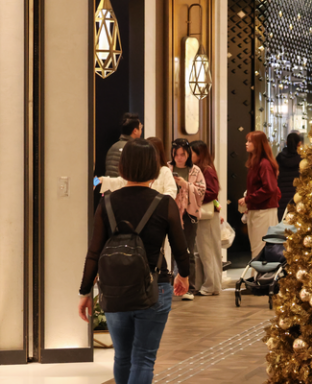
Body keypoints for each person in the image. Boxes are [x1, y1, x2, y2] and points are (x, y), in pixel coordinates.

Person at [78, 139, 190, 384]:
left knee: (123, 357)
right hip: (155, 287)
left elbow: (94, 252)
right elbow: (181, 248)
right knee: (143, 358)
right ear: (154, 167)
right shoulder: (164, 204)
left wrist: (85, 291)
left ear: (122, 166)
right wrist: (184, 275)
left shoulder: (107, 202)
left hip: (115, 289)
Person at [169, 138, 207, 300]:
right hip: (170, 214)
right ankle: (172, 284)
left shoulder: (195, 171)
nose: (179, 158)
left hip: (189, 214)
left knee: (189, 251)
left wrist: (186, 185)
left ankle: (189, 287)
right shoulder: (167, 169)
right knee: (171, 250)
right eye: (176, 154)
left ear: (188, 155)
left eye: (182, 154)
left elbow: (202, 192)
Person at [238, 131, 281, 268]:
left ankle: (260, 280)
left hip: (264, 211)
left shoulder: (264, 164)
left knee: (261, 247)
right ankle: (258, 279)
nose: (247, 143)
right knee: (257, 247)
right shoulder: (256, 163)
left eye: (250, 141)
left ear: (258, 144)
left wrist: (248, 199)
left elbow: (270, 189)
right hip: (258, 210)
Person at [190, 140, 222, 297]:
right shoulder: (198, 170)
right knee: (201, 252)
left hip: (208, 216)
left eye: (192, 153)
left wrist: (193, 194)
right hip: (200, 215)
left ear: (199, 154)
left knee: (208, 251)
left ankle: (212, 285)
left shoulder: (207, 171)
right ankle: (203, 284)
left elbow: (212, 192)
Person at [99, 137, 178, 199]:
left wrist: (155, 201)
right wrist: (94, 181)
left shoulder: (165, 171)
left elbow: (171, 192)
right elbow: (115, 181)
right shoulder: (138, 171)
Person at [275, 132, 302, 220]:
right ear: (299, 143)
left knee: (282, 221)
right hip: (296, 194)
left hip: (282, 193)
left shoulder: (280, 157)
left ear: (286, 142)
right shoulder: (301, 159)